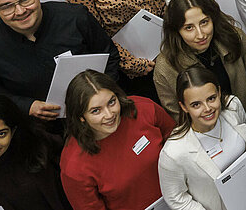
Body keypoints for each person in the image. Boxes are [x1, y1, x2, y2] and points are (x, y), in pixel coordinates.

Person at [0, 0, 122, 121]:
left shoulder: (76, 18)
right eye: (7, 6)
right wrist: (26, 106)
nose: (20, 11)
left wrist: (102, 100)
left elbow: (110, 56)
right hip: (41, 128)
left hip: (100, 115)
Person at [158, 67, 246, 210]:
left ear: (219, 92)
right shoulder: (174, 152)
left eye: (211, 98)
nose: (207, 109)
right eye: (196, 104)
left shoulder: (233, 107)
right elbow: (176, 198)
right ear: (184, 107)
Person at [59, 70, 175, 210]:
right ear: (81, 117)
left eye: (112, 102)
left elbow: (178, 140)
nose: (109, 114)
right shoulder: (74, 165)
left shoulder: (143, 108)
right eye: (96, 110)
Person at [152, 0, 246, 116]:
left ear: (213, 19)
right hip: (204, 134)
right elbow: (178, 118)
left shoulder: (234, 38)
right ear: (176, 31)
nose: (200, 35)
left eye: (204, 22)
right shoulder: (166, 68)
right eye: (189, 28)